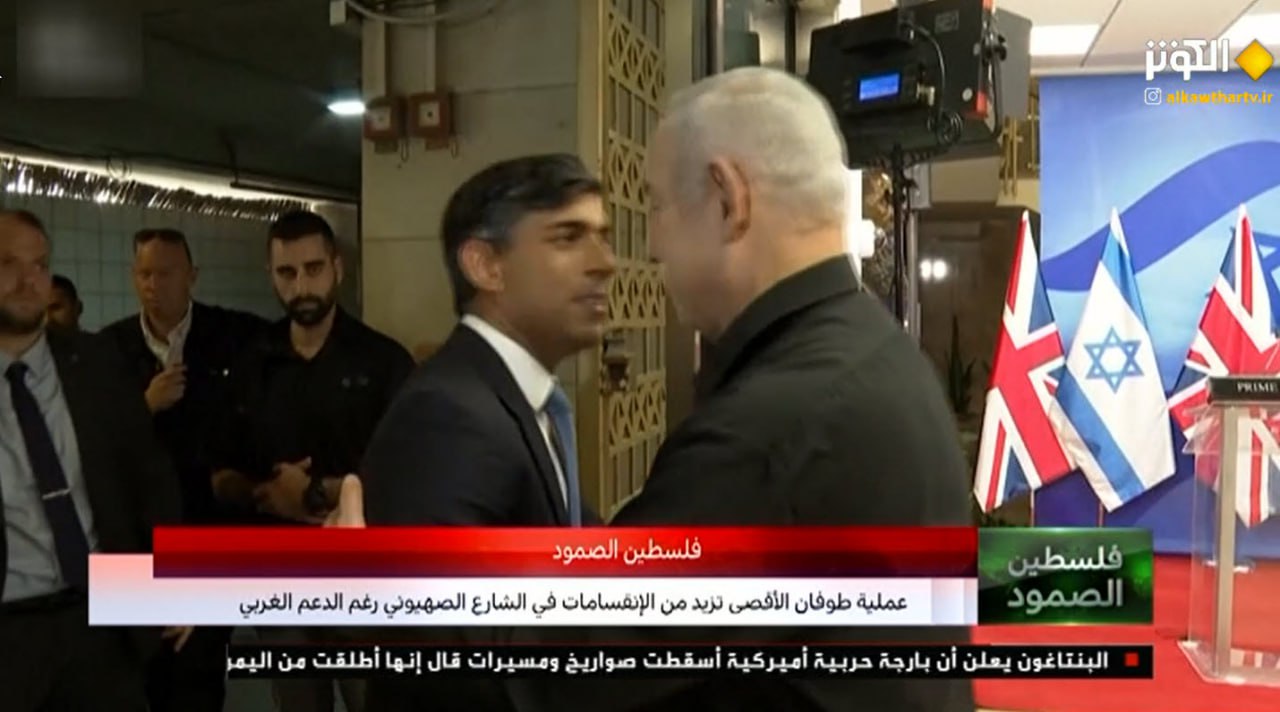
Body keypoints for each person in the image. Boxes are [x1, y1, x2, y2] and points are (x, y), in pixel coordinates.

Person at [330, 67, 974, 712]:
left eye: (655, 208)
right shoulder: (872, 352)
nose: (644, 248)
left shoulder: (774, 425)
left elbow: (567, 662)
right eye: (569, 237)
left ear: (728, 199)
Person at [209, 209, 413, 712]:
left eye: (313, 269)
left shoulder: (384, 363)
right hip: (279, 576)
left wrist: (316, 493)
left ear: (337, 268)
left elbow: (411, 479)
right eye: (287, 272)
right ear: (271, 275)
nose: (301, 286)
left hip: (365, 578)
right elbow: (219, 472)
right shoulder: (252, 364)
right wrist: (264, 494)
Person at [360, 153, 615, 529]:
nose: (605, 263)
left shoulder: (523, 401)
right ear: (485, 266)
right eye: (568, 237)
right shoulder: (447, 419)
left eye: (603, 237)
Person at [0, 210, 184, 712]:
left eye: (40, 265)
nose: (28, 281)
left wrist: (177, 575)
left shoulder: (96, 361)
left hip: (101, 618)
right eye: (9, 263)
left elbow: (149, 475)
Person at [98, 228, 268, 712]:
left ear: (192, 276)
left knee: (199, 674)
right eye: (145, 274)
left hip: (208, 530)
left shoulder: (234, 337)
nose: (154, 285)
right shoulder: (108, 350)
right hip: (136, 539)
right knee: (138, 675)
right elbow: (94, 442)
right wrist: (143, 406)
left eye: (166, 273)